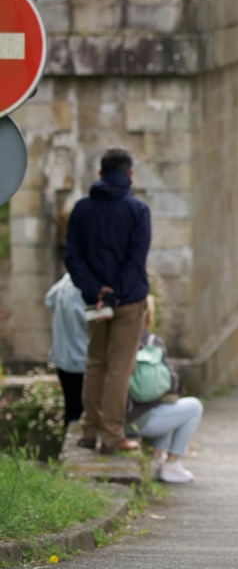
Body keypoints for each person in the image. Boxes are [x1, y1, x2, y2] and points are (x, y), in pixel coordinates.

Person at [64, 147, 151, 454]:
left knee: (95, 363)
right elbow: (135, 260)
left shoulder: (82, 209)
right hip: (128, 302)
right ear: (130, 175)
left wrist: (96, 291)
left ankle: (89, 430)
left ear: (100, 174)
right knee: (119, 368)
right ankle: (112, 435)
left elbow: (72, 257)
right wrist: (115, 294)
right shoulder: (138, 211)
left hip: (96, 303)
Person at [125, 296, 203, 482]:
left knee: (164, 407)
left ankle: (157, 458)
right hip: (138, 420)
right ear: (148, 316)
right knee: (193, 407)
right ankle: (172, 463)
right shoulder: (151, 342)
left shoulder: (114, 341)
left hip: (114, 422)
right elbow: (173, 384)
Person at [44, 272, 88, 428]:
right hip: (82, 359)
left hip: (63, 357)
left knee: (71, 409)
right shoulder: (87, 286)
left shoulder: (66, 282)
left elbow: (49, 300)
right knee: (84, 410)